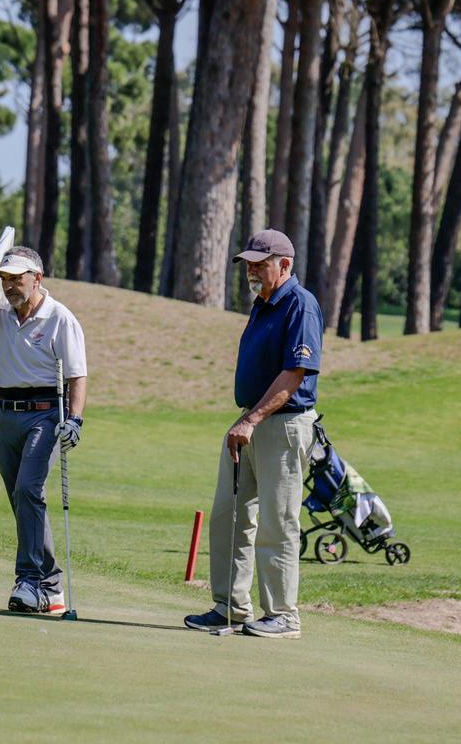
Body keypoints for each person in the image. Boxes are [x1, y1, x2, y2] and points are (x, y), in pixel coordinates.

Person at [184, 229, 323, 639]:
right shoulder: (262, 305)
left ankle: (283, 614)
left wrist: (250, 420)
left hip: (283, 425)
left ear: (285, 265)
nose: (252, 272)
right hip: (252, 421)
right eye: (248, 265)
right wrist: (246, 419)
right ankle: (231, 606)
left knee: (277, 522)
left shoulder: (301, 304)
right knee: (229, 514)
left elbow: (295, 374)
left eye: (260, 265)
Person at [0, 247, 87, 615]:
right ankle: (51, 586)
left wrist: (75, 419)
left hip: (45, 415)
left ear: (37, 278)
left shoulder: (59, 317)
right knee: (22, 499)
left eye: (17, 278)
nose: (10, 285)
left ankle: (29, 579)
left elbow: (77, 375)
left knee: (29, 490)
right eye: (5, 279)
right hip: (4, 415)